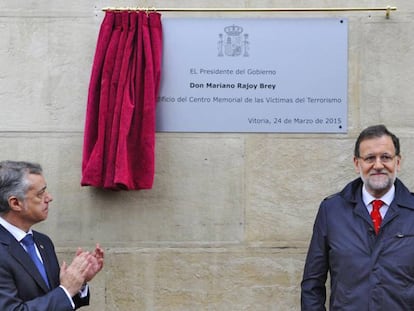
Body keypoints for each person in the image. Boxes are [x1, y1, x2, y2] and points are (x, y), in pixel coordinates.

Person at [301, 124, 414, 310]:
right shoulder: (332, 211)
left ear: (398, 162)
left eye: (385, 157)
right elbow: (312, 284)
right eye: (370, 158)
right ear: (357, 164)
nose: (378, 165)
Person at [0, 160, 104, 310]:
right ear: (15, 203)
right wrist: (66, 290)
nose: (49, 198)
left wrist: (78, 281)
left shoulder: (43, 242)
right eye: (40, 194)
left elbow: (57, 301)